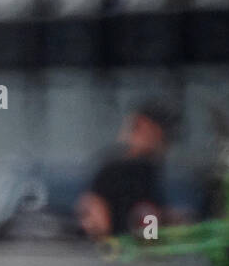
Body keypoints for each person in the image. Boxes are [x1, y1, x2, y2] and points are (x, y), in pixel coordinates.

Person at [76, 101, 181, 240]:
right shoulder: (115, 168)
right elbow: (96, 217)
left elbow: (151, 221)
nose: (164, 142)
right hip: (116, 251)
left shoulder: (149, 170)